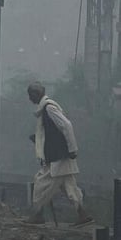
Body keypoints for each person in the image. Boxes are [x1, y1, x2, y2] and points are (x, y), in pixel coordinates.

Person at [24, 82, 93, 226]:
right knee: (70, 187)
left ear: (36, 94)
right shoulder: (45, 110)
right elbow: (52, 133)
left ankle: (38, 214)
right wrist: (39, 140)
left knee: (40, 183)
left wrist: (72, 149)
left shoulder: (49, 108)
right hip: (60, 155)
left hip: (58, 157)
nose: (30, 99)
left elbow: (66, 126)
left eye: (31, 96)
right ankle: (82, 214)